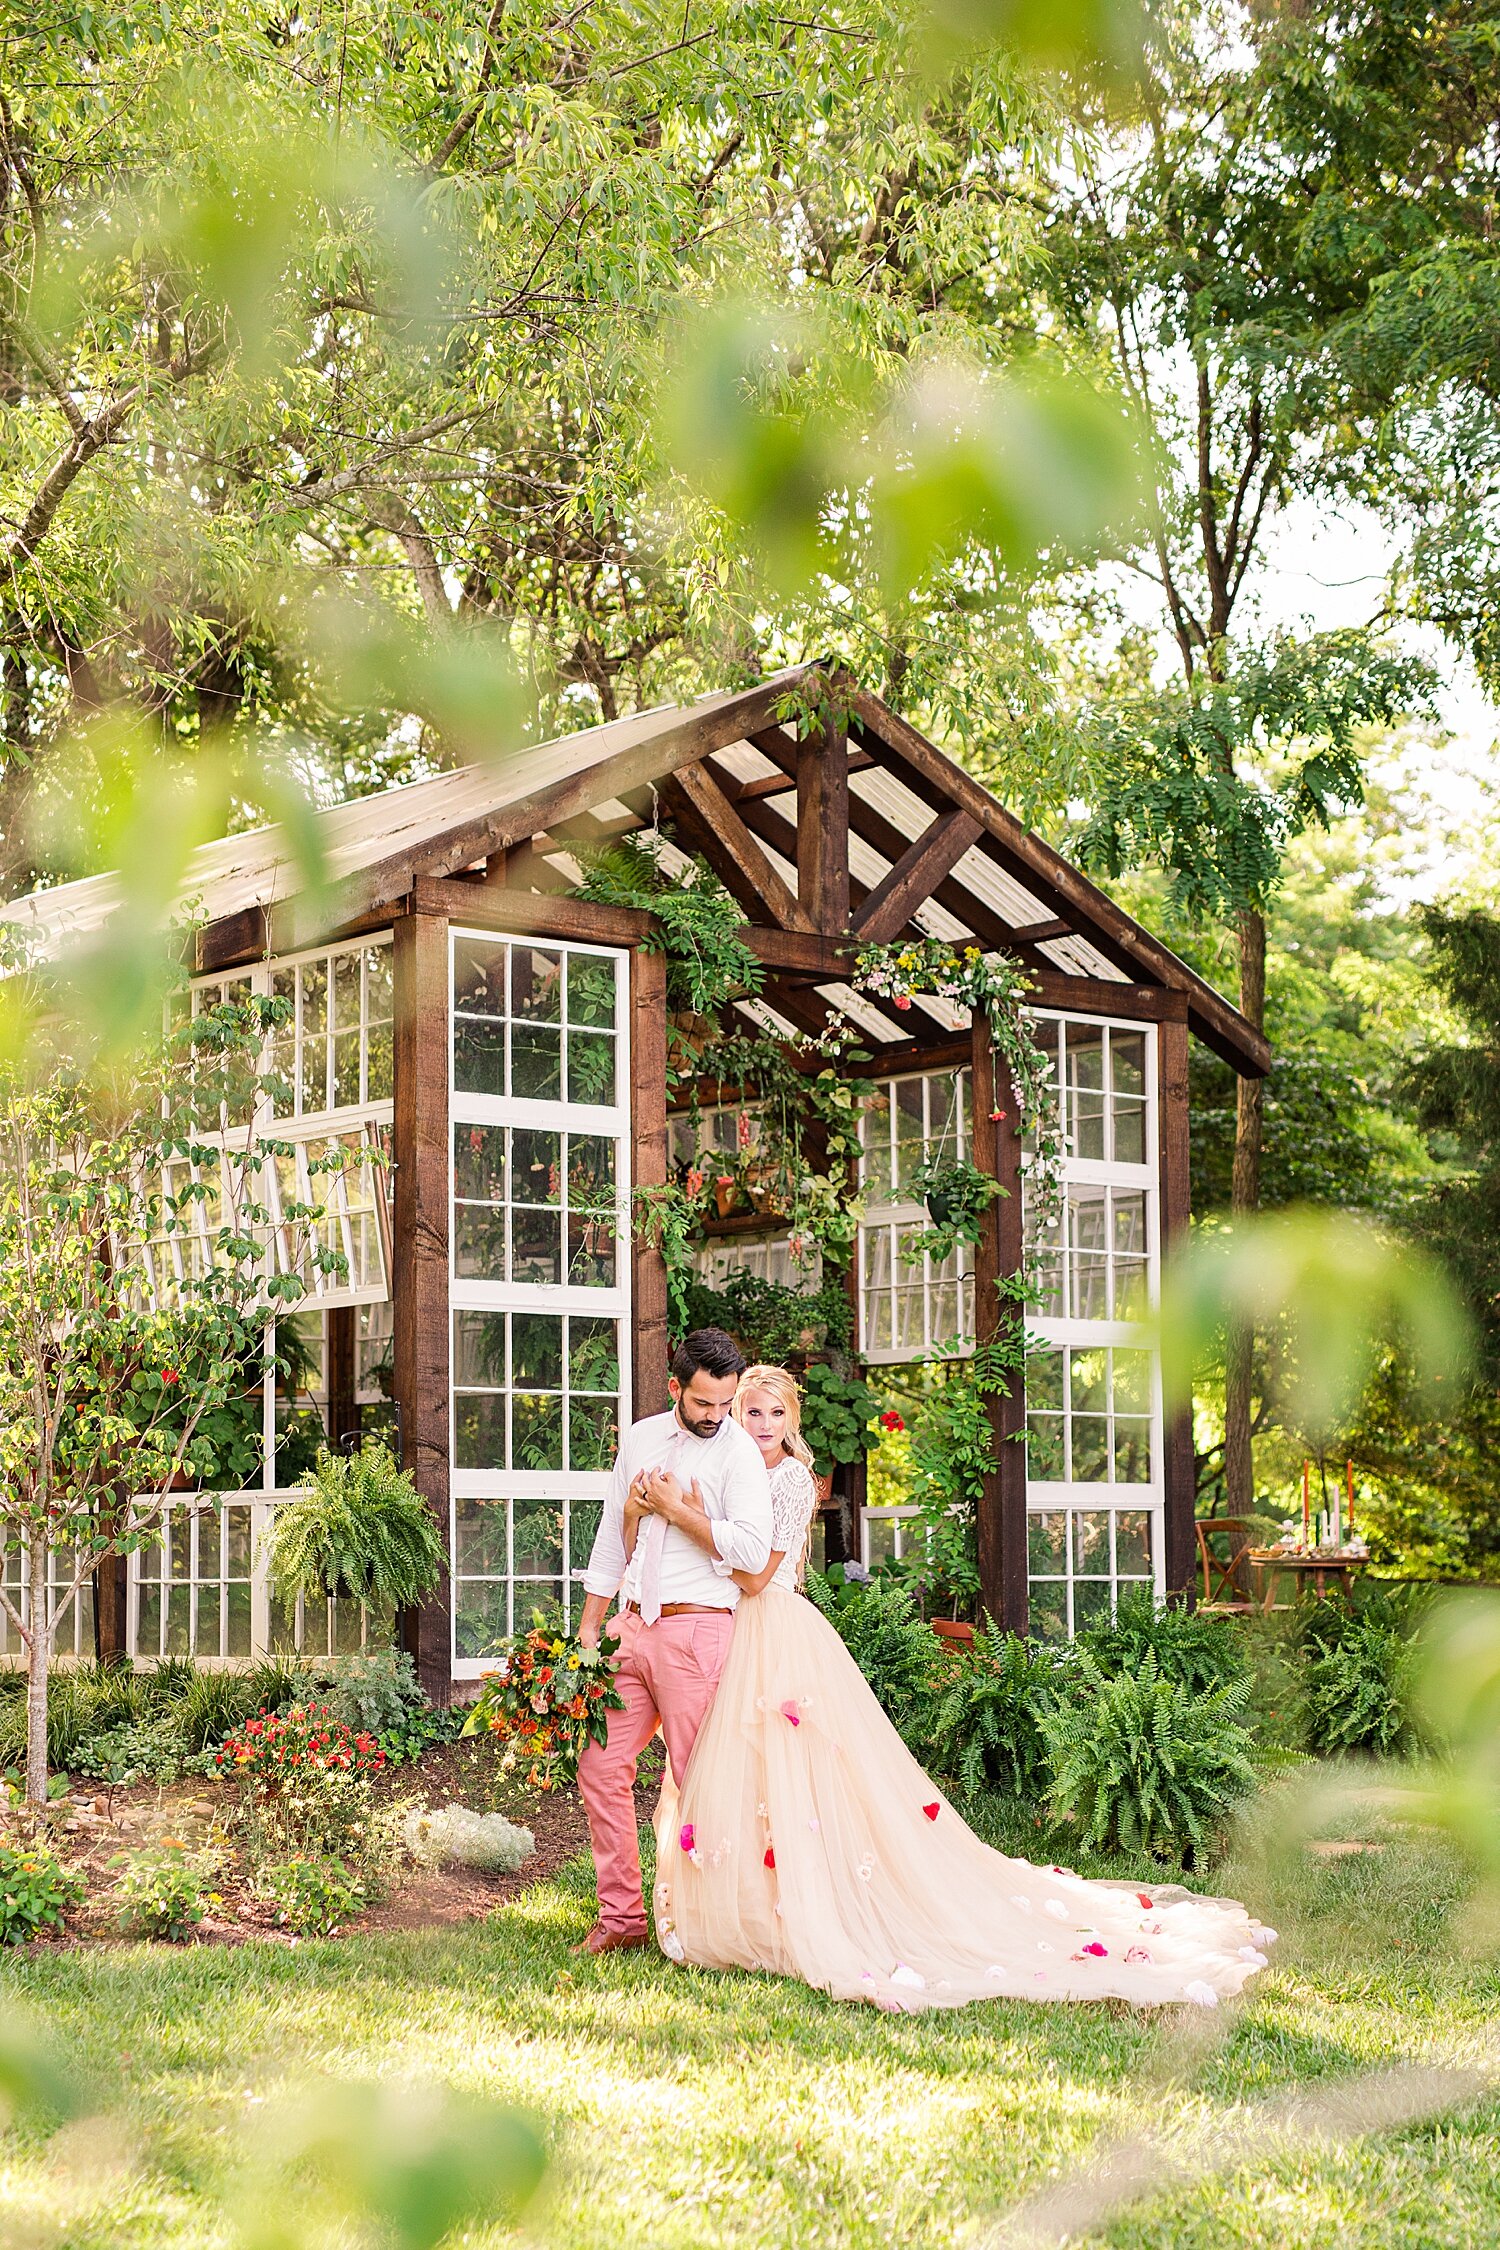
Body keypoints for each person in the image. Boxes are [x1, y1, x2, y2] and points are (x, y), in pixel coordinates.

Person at [643, 1364, 1276, 2013]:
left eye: (776, 1415)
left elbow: (753, 1576)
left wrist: (687, 1519)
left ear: (792, 1422)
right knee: (742, 1771)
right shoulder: (732, 1473)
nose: (764, 1426)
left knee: (791, 1771)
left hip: (771, 1626)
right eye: (753, 1413)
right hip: (724, 1628)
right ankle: (746, 1900)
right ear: (733, 1416)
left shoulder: (789, 1482)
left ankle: (793, 1905)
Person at [573, 1327, 772, 1957]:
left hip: (697, 1631)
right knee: (600, 1767)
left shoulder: (738, 1455)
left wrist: (678, 1509)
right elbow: (612, 1535)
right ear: (674, 1389)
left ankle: (726, 1922)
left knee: (702, 1782)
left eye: (726, 1403)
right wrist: (589, 1627)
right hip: (629, 1627)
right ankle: (622, 1919)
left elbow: (751, 1550)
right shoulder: (639, 1438)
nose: (717, 1416)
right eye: (704, 1403)